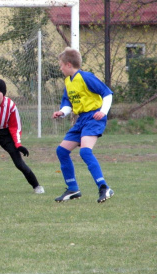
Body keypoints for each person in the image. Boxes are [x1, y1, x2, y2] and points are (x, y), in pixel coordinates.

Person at [52, 47, 114, 203]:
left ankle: (104, 188)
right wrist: (62, 112)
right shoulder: (68, 81)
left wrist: (103, 112)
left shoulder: (86, 77)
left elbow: (107, 93)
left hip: (93, 117)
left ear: (68, 64)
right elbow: (68, 103)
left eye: (61, 65)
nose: (60, 68)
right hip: (81, 120)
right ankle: (73, 189)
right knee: (61, 151)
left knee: (85, 152)